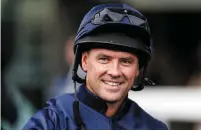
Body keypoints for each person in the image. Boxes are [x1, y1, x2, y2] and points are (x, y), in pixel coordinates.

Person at [23, 3, 168, 130]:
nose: (115, 71)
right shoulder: (51, 122)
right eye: (104, 59)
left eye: (126, 61)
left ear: (138, 69)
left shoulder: (153, 128)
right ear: (84, 61)